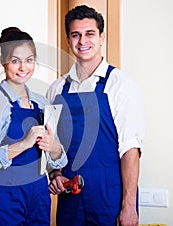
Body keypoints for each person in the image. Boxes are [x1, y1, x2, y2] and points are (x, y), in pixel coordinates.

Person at [47, 5, 145, 226]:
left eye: (89, 34)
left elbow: (131, 149)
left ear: (101, 38)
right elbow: (52, 145)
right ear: (67, 40)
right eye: (76, 35)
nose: (83, 41)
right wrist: (55, 175)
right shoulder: (56, 90)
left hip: (110, 198)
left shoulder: (121, 86)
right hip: (71, 198)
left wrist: (128, 206)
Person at [0, 27, 68, 226]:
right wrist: (24, 143)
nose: (23, 67)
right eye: (15, 60)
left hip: (39, 196)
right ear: (3, 61)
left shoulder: (42, 103)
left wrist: (54, 148)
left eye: (29, 60)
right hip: (5, 199)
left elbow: (57, 161)